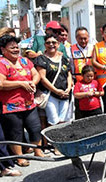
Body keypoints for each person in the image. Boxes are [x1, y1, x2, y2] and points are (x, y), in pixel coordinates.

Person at [0, 35, 46, 166]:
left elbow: (36, 74)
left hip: (29, 104)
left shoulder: (25, 61)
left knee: (35, 127)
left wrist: (32, 82)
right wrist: (20, 84)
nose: (16, 49)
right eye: (12, 47)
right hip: (10, 106)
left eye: (16, 47)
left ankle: (37, 151)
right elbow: (1, 84)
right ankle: (19, 157)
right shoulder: (2, 63)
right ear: (3, 50)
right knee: (15, 132)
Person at [34, 34, 72, 126]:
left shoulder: (63, 59)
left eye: (54, 42)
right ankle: (54, 140)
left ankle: (64, 139)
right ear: (45, 45)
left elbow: (68, 74)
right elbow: (42, 78)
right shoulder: (41, 59)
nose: (51, 44)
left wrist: (69, 87)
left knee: (64, 121)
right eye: (48, 43)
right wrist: (56, 91)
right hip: (50, 95)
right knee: (53, 122)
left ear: (58, 44)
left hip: (65, 94)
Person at [69, 26, 94, 119]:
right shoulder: (71, 49)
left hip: (92, 82)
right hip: (78, 82)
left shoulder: (93, 48)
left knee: (93, 104)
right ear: (76, 38)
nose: (83, 41)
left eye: (85, 38)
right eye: (80, 38)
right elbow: (69, 66)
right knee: (79, 106)